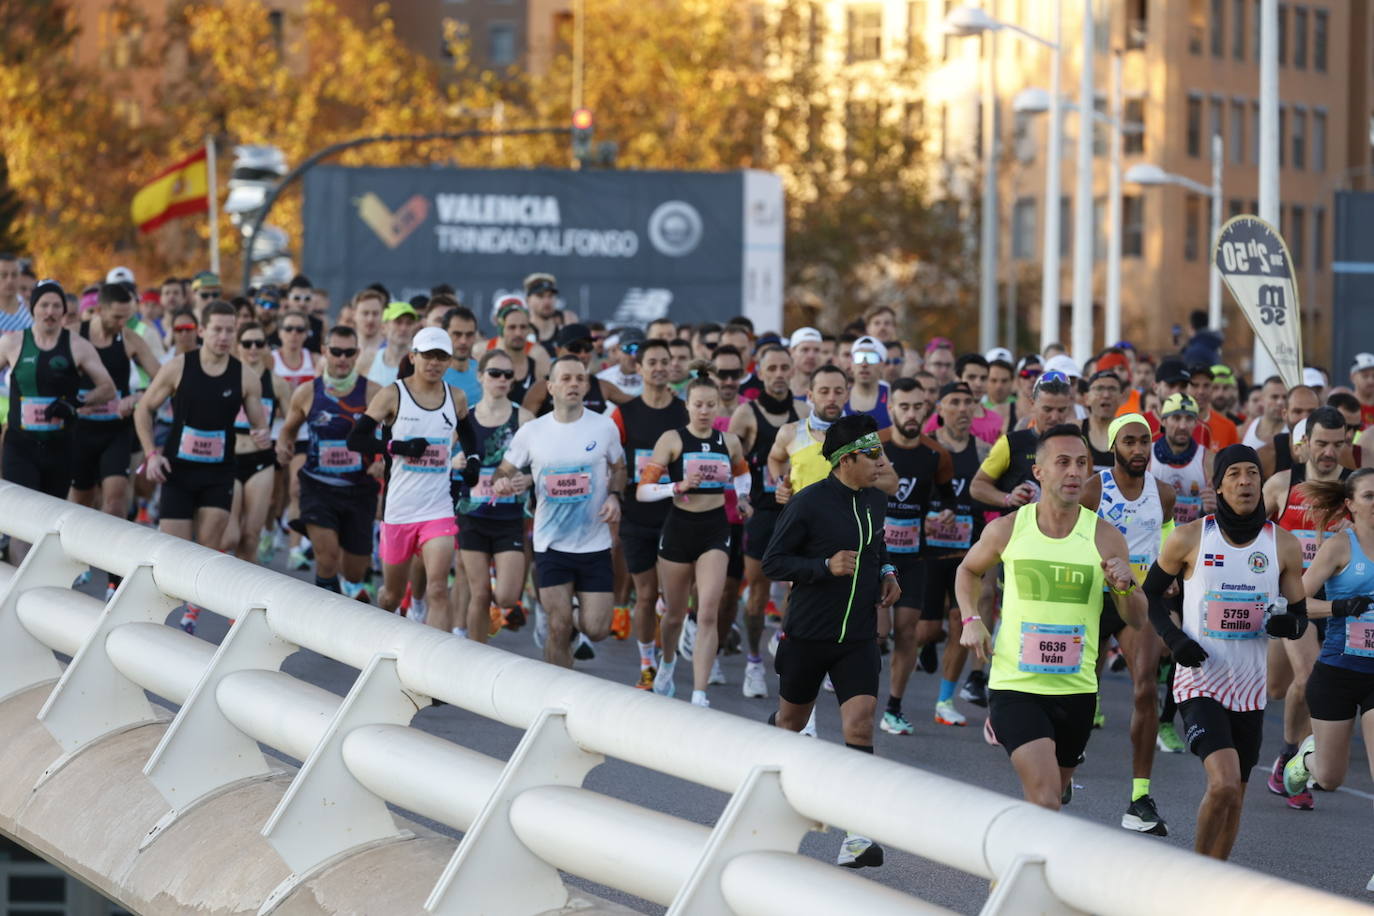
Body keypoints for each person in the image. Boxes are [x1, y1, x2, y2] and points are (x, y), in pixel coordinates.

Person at [957, 425, 1145, 811]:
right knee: (1045, 801)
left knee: (1050, 799)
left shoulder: (1105, 537)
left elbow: (1138, 619)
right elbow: (967, 571)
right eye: (1063, 463)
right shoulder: (1008, 529)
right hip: (1016, 686)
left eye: (1081, 463)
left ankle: (1016, 867)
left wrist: (1126, 587)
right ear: (1039, 472)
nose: (1075, 472)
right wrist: (970, 619)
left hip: (1076, 691)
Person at [1142, 444, 1308, 860]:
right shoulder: (1189, 537)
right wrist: (1174, 639)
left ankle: (1216, 878)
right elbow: (1150, 595)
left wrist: (1285, 624)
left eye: (1252, 472)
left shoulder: (1282, 545)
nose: (1245, 481)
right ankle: (1197, 874)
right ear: (1218, 485)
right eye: (1233, 473)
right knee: (1223, 783)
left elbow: (1300, 616)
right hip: (1201, 683)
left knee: (1235, 797)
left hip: (1249, 689)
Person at [762, 414, 900, 869]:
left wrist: (886, 572)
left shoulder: (875, 501)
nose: (882, 462)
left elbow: (876, 548)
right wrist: (823, 566)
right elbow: (774, 563)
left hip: (858, 635)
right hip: (808, 634)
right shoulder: (808, 503)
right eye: (874, 455)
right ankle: (767, 795)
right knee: (790, 723)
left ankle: (858, 835)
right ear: (847, 459)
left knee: (859, 726)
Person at [136, 301, 271, 630]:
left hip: (219, 472)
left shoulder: (245, 376)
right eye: (218, 330)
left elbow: (260, 422)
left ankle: (191, 610)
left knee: (210, 546)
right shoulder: (179, 367)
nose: (224, 336)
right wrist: (151, 454)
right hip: (178, 470)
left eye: (230, 330)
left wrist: (263, 433)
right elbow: (143, 409)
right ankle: (160, 612)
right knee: (175, 552)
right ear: (203, 331)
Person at [491, 355, 626, 668]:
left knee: (598, 629)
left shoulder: (603, 426)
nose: (573, 384)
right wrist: (501, 483)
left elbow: (619, 467)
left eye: (579, 378)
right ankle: (558, 696)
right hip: (551, 543)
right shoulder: (532, 431)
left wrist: (615, 496)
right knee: (558, 625)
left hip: (594, 542)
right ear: (550, 387)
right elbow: (504, 470)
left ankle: (572, 619)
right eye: (565, 378)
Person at [1079, 414, 1177, 835]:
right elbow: (1075, 539)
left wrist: (1171, 581)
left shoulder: (1165, 493)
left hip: (1138, 599)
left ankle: (1139, 797)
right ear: (1114, 446)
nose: (1139, 449)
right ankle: (1065, 763)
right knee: (1079, 688)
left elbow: (1169, 542)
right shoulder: (1093, 489)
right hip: (1091, 597)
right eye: (1130, 442)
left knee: (1145, 688)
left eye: (1145, 441)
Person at [346, 326, 474, 633]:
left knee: (439, 589)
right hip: (400, 510)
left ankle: (436, 668)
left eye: (441, 357)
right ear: (413, 357)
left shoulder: (455, 397)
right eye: (428, 356)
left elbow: (471, 438)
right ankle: (380, 640)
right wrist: (397, 447)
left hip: (438, 509)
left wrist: (474, 462)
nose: (434, 363)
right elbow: (356, 440)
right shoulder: (392, 394)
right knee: (390, 595)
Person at [1259, 406, 1352, 810]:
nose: (1329, 452)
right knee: (1288, 684)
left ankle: (1291, 759)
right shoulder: (1282, 484)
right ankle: (1292, 751)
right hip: (1291, 599)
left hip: (1337, 603)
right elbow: (1247, 532)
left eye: (1337, 444)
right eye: (1321, 444)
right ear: (1305, 443)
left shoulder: (1356, 491)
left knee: (1304, 681)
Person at [639, 371, 749, 706]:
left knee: (707, 612)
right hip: (679, 529)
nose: (704, 411)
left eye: (710, 405)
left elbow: (743, 476)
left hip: (715, 529)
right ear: (687, 406)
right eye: (698, 404)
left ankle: (699, 693)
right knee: (674, 614)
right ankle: (668, 665)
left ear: (719, 407)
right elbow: (643, 491)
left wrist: (743, 499)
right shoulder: (672, 440)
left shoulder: (728, 441)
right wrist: (677, 486)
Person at [1281, 469, 1374, 841]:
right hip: (1337, 671)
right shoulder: (1340, 547)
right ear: (1350, 505)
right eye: (1370, 496)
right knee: (1331, 778)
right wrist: (1339, 608)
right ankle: (1306, 758)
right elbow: (1296, 602)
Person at [0, 280, 116, 563]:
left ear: (64, 311)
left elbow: (108, 388)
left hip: (60, 448)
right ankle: (17, 592)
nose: (50, 312)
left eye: (56, 306)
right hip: (20, 446)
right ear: (33, 308)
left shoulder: (77, 346)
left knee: (45, 525)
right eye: (44, 305)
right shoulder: (13, 342)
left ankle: (36, 592)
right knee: (22, 523)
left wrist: (75, 403)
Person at [277, 325, 381, 599]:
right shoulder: (307, 392)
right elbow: (289, 427)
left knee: (355, 570)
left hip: (360, 489)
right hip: (317, 487)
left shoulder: (373, 393)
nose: (342, 358)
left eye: (349, 352)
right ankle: (325, 613)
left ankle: (349, 587)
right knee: (327, 557)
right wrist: (283, 445)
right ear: (325, 351)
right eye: (336, 352)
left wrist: (382, 460)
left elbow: (391, 432)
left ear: (357, 354)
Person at [610, 339, 689, 687]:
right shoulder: (624, 413)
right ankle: (647, 663)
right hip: (637, 513)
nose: (658, 367)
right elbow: (614, 461)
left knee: (672, 599)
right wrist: (613, 496)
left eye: (664, 361)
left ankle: (668, 661)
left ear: (672, 367)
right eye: (651, 362)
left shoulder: (685, 411)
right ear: (638, 368)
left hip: (678, 514)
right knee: (643, 594)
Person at [879, 379, 953, 735]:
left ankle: (893, 706)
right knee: (877, 634)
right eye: (903, 406)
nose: (911, 413)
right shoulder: (872, 445)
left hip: (913, 556)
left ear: (927, 409)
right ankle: (857, 693)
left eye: (917, 406)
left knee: (907, 632)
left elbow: (947, 500)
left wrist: (944, 516)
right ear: (890, 406)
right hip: (875, 555)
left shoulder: (936, 454)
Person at [69, 283, 161, 550]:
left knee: (116, 498)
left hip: (116, 430)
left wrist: (137, 398)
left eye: (128, 317)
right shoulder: (75, 334)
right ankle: (80, 555)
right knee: (82, 499)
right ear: (98, 310)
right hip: (81, 430)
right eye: (117, 317)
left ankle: (113, 573)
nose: (123, 323)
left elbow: (162, 380)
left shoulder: (130, 338)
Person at [729, 344, 797, 698]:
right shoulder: (747, 413)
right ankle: (753, 661)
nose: (779, 374)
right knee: (756, 592)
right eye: (772, 368)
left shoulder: (803, 411)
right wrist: (741, 495)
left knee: (796, 590)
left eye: (785, 367)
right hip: (762, 512)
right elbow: (731, 461)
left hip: (797, 512)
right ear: (761, 372)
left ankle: (784, 640)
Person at [456, 348, 534, 640]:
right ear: (480, 377)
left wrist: (526, 479)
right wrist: (453, 462)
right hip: (471, 515)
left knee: (504, 597)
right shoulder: (465, 417)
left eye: (507, 375)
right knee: (479, 593)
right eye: (494, 373)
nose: (501, 379)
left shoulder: (523, 418)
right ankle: (477, 660)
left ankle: (500, 607)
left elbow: (543, 464)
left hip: (509, 516)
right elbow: (440, 456)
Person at [221, 322, 290, 563]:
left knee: (250, 537)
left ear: (265, 348)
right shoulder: (225, 378)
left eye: (259, 343)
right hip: (229, 459)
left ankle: (240, 596)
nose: (253, 348)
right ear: (237, 347)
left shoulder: (277, 383)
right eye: (247, 343)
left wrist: (282, 444)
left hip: (261, 460)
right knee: (228, 537)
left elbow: (291, 424)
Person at [769, 365, 850, 500]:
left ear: (847, 396)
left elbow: (890, 482)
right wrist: (781, 485)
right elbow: (775, 459)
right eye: (824, 392)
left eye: (838, 392)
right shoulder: (790, 432)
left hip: (845, 519)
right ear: (810, 396)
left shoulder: (863, 436)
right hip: (800, 519)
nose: (831, 398)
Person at [1148, 393, 1217, 526]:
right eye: (1176, 418)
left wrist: (1214, 506)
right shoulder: (1147, 456)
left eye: (1189, 419)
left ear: (1196, 423)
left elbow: (1222, 509)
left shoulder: (1208, 459)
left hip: (1193, 539)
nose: (1183, 426)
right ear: (1163, 421)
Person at [486, 299, 550, 405]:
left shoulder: (538, 362)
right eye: (512, 327)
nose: (518, 333)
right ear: (502, 330)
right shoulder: (485, 357)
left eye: (523, 327)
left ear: (529, 330)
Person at [439, 302, 482, 409]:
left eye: (469, 335)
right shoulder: (432, 374)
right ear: (444, 334)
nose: (463, 341)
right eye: (457, 334)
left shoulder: (486, 374)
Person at [844, 336, 892, 430]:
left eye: (872, 358)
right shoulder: (840, 397)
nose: (864, 364)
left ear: (882, 364)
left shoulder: (892, 396)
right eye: (859, 357)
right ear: (851, 364)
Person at [365, 301, 417, 387]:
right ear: (383, 327)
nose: (403, 328)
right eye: (398, 322)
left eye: (409, 323)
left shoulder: (420, 362)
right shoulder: (368, 360)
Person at [1081, 370, 1124, 470]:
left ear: (1121, 398)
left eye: (1112, 389)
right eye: (1099, 389)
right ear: (1086, 398)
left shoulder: (1129, 433)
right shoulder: (1075, 430)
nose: (1106, 395)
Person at [1189, 365, 1239, 449]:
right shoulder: (1175, 426)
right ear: (1186, 388)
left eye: (1206, 385)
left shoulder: (1228, 427)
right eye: (1195, 385)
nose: (1201, 391)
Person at [1240, 376, 1288, 450]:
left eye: (1285, 397)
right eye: (1274, 397)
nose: (1280, 402)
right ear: (1262, 399)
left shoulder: (1294, 431)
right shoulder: (1246, 428)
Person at [524, 272, 563, 356]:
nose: (547, 301)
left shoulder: (564, 335)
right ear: (528, 300)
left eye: (550, 296)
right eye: (540, 296)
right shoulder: (521, 335)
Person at [352, 289, 387, 371]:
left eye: (375, 313)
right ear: (354, 315)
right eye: (365, 313)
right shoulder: (342, 351)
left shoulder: (391, 351)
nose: (370, 319)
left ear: (382, 315)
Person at [787, 327, 824, 399]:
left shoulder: (828, 392)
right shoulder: (780, 388)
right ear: (791, 352)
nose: (811, 356)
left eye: (816, 350)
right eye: (805, 350)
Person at [1350, 353, 1374, 429]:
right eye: (1365, 376)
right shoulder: (1346, 407)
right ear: (1352, 377)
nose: (1371, 381)